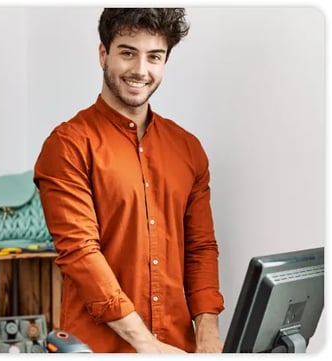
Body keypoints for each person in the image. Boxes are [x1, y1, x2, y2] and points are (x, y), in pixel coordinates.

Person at [34, 8, 224, 353]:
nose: (140, 70)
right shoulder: (67, 145)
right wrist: (146, 345)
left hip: (179, 348)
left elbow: (201, 249)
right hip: (98, 349)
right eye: (127, 53)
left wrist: (208, 333)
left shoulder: (188, 148)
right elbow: (80, 253)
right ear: (103, 54)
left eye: (154, 57)